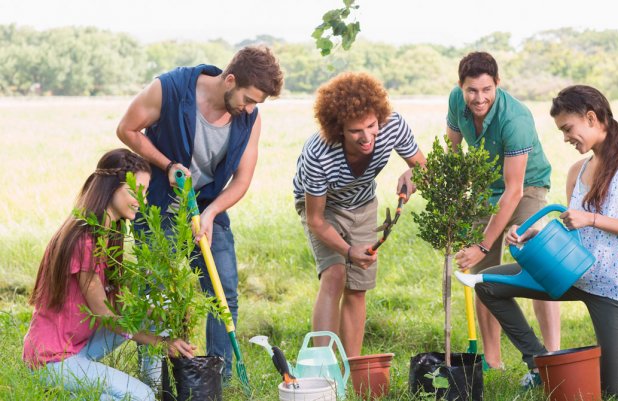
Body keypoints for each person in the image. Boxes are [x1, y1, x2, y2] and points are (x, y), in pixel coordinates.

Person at [470, 85, 618, 396]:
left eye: (567, 128)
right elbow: (576, 232)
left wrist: (590, 218)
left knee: (614, 391)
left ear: (591, 118)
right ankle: (539, 362)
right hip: (574, 274)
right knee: (487, 283)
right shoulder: (578, 170)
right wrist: (536, 235)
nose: (565, 138)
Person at [116, 46, 283, 380]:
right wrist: (167, 165)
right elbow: (127, 129)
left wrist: (211, 213)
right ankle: (152, 377)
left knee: (224, 292)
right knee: (155, 290)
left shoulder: (249, 118)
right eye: (248, 99)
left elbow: (243, 179)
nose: (249, 109)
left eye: (256, 104)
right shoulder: (171, 89)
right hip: (159, 206)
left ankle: (216, 377)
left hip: (208, 207)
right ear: (230, 79)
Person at [22, 149, 196, 401]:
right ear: (111, 188)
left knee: (158, 304)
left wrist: (164, 311)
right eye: (135, 191)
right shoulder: (83, 239)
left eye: (145, 192)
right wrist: (159, 342)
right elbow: (105, 316)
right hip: (52, 359)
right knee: (141, 397)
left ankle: (156, 384)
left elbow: (121, 306)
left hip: (80, 347)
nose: (142, 200)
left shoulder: (109, 236)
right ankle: (59, 392)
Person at [293, 72, 426, 357]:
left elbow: (422, 166)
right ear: (339, 128)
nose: (367, 137)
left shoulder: (392, 126)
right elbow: (316, 220)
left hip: (363, 202)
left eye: (371, 125)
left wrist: (413, 174)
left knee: (358, 286)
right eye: (356, 131)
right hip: (323, 206)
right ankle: (325, 367)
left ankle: (350, 367)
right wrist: (348, 250)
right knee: (335, 274)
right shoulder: (319, 154)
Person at [448, 51, 560, 369]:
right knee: (482, 274)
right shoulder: (456, 101)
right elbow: (453, 156)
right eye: (471, 90)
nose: (479, 98)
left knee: (538, 259)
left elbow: (514, 191)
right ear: (461, 86)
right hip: (485, 188)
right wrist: (454, 209)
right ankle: (493, 361)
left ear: (498, 83)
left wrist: (482, 242)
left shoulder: (516, 119)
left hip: (527, 187)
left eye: (486, 89)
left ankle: (552, 355)